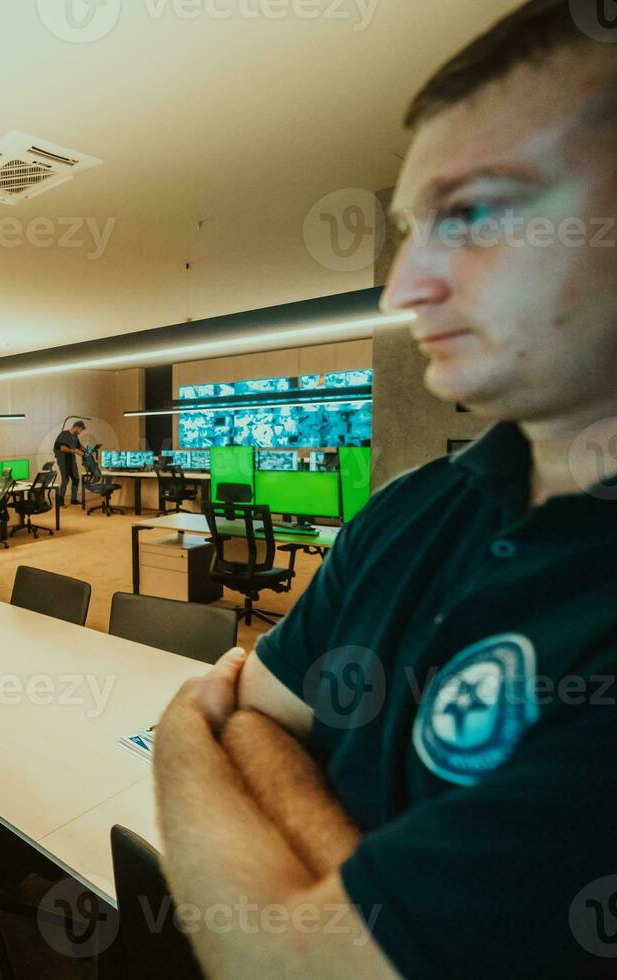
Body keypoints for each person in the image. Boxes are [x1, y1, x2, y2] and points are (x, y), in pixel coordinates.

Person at [152, 2, 617, 977]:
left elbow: (284, 958)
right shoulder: (411, 504)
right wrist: (358, 885)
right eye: (410, 230)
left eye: (474, 211)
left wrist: (182, 733)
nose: (403, 286)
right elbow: (269, 718)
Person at [53, 420, 87, 505]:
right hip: (63, 460)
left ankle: (73, 500)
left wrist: (88, 450)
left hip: (72, 460)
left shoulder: (75, 436)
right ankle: (60, 502)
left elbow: (79, 446)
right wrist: (75, 451)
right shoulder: (64, 434)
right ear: (76, 427)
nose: (81, 432)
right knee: (65, 480)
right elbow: (63, 448)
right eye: (81, 430)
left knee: (76, 479)